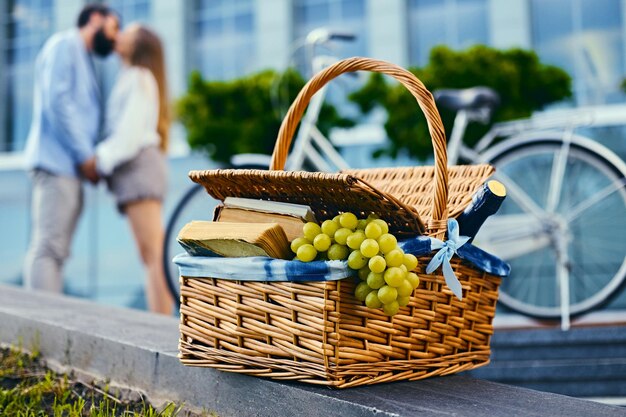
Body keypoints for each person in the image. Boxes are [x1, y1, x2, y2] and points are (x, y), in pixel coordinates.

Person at [23, 4, 119, 293]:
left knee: (57, 251)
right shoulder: (64, 44)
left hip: (68, 168)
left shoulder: (84, 58)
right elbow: (58, 102)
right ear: (95, 18)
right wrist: (85, 155)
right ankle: (41, 326)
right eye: (114, 28)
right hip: (57, 165)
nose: (115, 39)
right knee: (48, 248)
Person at [83, 24, 173, 314]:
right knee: (148, 254)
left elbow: (129, 134)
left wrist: (99, 160)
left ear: (139, 46)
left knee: (153, 254)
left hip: (139, 170)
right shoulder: (131, 77)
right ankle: (158, 320)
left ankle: (161, 325)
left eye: (127, 34)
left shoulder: (138, 76)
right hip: (134, 172)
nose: (117, 36)